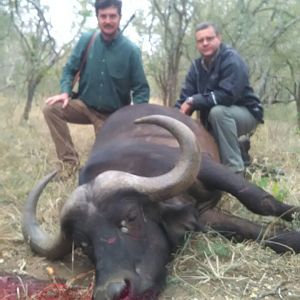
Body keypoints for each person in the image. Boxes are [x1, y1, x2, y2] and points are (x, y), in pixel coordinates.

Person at [43, 0, 150, 179]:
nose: (108, 21)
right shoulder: (87, 40)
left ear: (120, 17)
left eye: (112, 16)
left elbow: (141, 89)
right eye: (103, 16)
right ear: (97, 17)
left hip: (112, 117)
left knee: (102, 169)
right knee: (51, 108)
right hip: (84, 106)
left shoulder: (131, 50)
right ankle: (69, 164)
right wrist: (65, 92)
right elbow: (69, 69)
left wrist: (133, 113)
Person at [176, 22, 264, 175]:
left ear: (219, 38)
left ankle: (235, 171)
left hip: (247, 113)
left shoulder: (232, 59)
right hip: (214, 119)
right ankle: (240, 150)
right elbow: (184, 98)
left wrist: (194, 101)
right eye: (200, 40)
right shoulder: (196, 67)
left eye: (209, 38)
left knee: (218, 112)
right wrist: (173, 115)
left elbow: (227, 96)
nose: (205, 43)